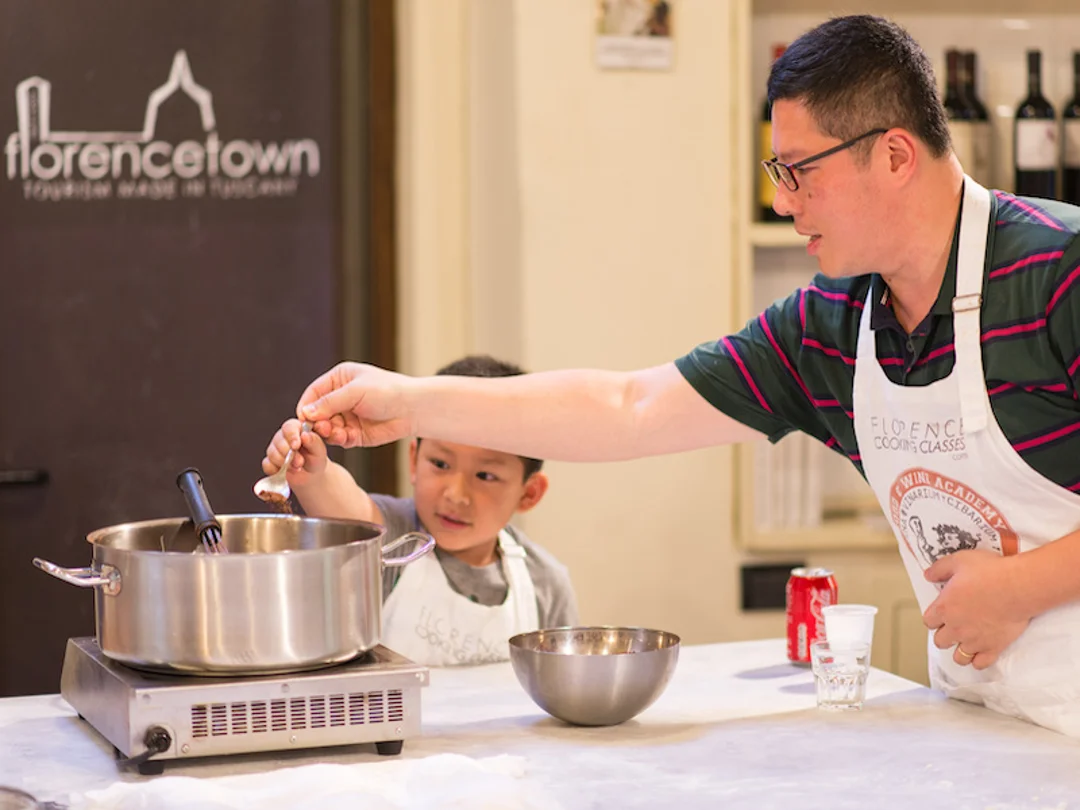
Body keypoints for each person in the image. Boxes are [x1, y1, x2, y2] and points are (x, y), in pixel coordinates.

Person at [290, 16, 1080, 737]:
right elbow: (629, 407)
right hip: (986, 722)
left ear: (896, 155)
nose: (780, 200)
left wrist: (1018, 590)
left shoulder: (1059, 270)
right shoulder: (829, 328)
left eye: (800, 172)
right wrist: (408, 399)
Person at [262, 354, 579, 667]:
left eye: (486, 476)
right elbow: (346, 508)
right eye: (440, 464)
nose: (456, 494)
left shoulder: (546, 584)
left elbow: (562, 686)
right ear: (414, 460)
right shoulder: (395, 537)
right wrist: (313, 472)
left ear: (529, 492)